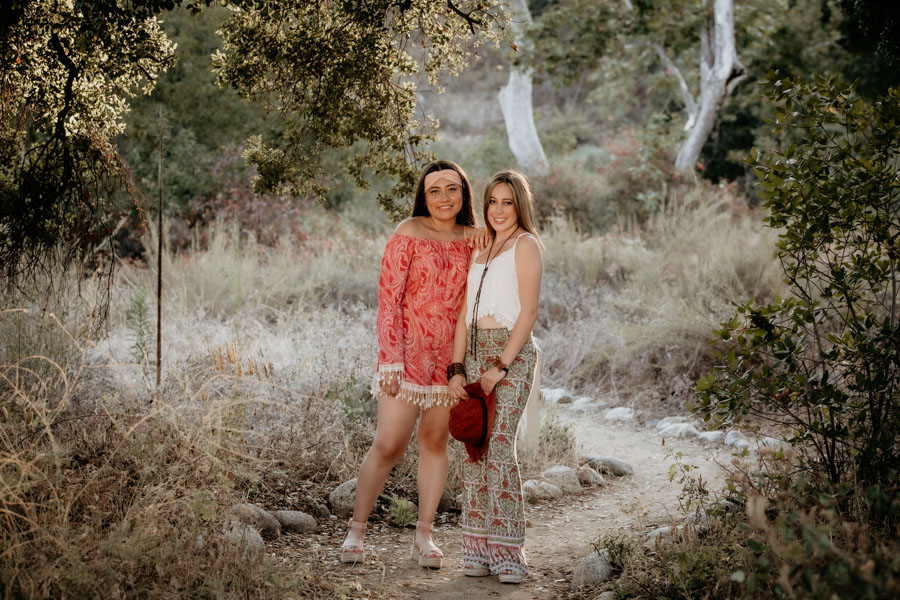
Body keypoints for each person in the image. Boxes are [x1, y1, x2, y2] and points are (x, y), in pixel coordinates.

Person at [340, 160, 487, 569]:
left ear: (464, 193)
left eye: (452, 189)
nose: (444, 197)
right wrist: (390, 359)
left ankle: (424, 535)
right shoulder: (408, 231)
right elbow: (389, 300)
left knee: (435, 442)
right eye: (434, 190)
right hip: (405, 356)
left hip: (451, 360)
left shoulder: (475, 239)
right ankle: (356, 529)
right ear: (424, 196)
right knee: (389, 443)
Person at [448, 170, 543, 584]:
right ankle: (477, 549)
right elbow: (462, 316)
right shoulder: (480, 247)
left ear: (520, 206)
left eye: (508, 202)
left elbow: (529, 312)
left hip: (511, 355)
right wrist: (456, 369)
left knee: (500, 447)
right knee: (475, 450)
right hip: (472, 354)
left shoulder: (526, 245)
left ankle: (508, 552)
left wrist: (500, 366)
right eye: (493, 202)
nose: (499, 210)